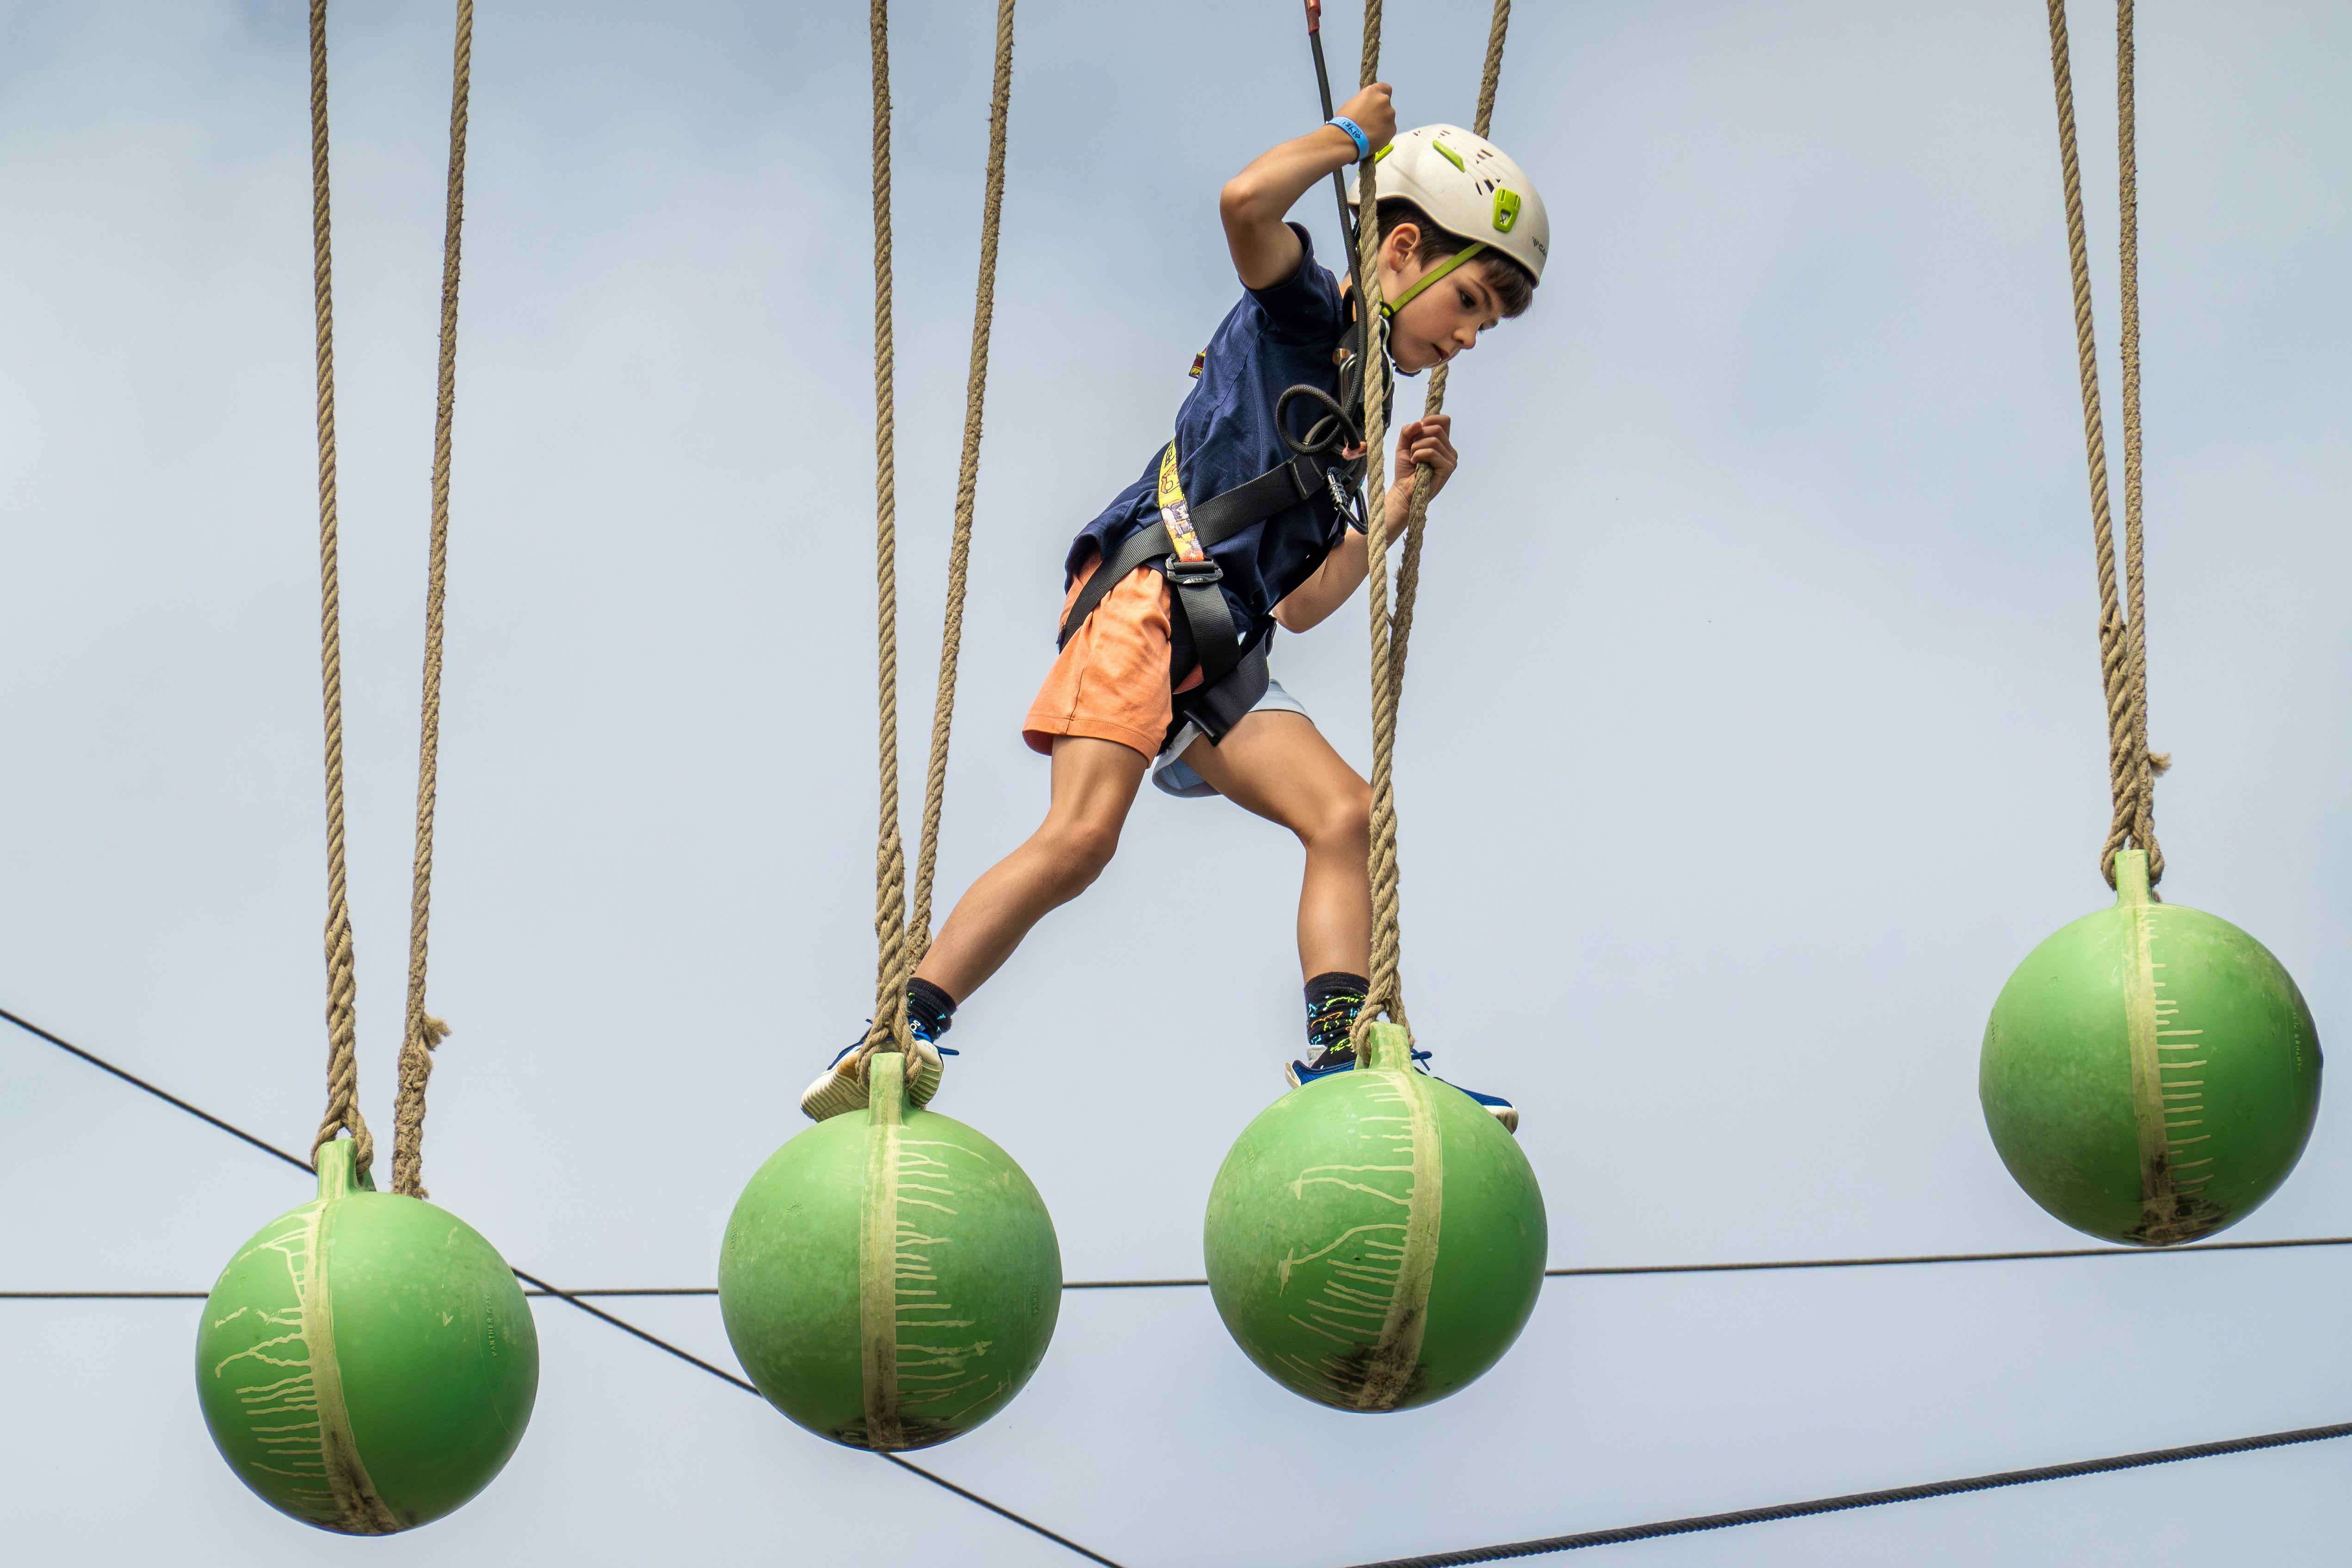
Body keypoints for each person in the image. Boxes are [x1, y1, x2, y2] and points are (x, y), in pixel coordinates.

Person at [805, 84, 1549, 1132]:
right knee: (1081, 838)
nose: (1470, 337)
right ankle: (901, 1027)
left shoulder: (1354, 418)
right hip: (1151, 599)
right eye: (1468, 302)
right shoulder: (1306, 310)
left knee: (1346, 814)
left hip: (1222, 646)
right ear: (1400, 252)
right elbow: (1245, 202)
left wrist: (1391, 510)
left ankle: (1338, 1050)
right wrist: (1347, 142)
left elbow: (1304, 605)